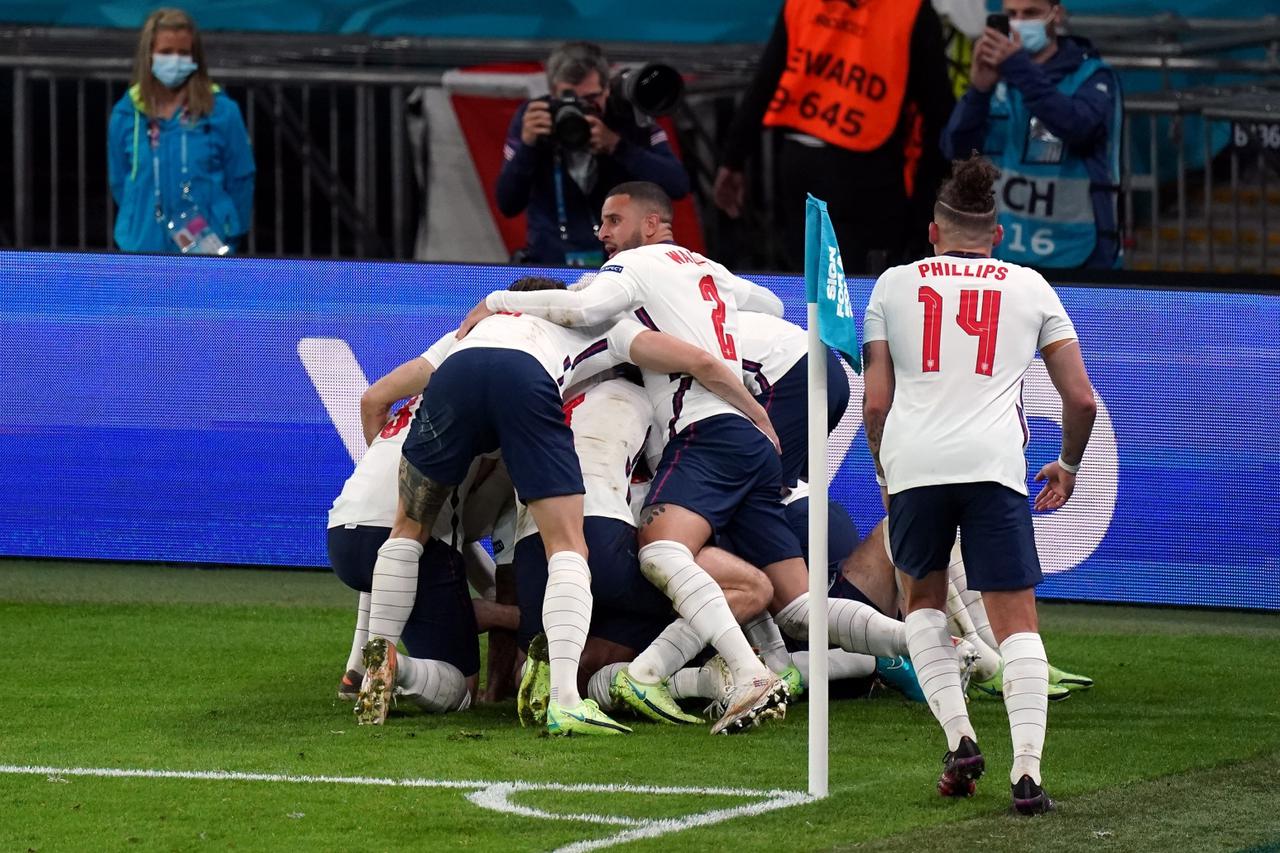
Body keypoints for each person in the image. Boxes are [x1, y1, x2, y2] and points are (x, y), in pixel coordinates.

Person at [462, 182, 919, 736]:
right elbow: (768, 305)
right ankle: (921, 643)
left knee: (661, 552)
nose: (602, 234)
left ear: (653, 224)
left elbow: (602, 316)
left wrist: (495, 303)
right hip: (756, 438)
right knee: (785, 599)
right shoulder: (700, 271)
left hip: (707, 435)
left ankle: (737, 673)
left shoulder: (619, 314)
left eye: (612, 221)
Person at [361, 275, 778, 737]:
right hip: (545, 413)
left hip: (458, 381)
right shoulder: (607, 334)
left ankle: (375, 651)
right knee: (577, 549)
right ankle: (580, 696)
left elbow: (377, 396)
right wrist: (756, 412)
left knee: (406, 531)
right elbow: (697, 361)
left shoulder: (488, 321)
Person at [861, 153, 1097, 814]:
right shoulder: (1030, 286)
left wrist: (886, 471)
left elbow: (875, 403)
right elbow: (1081, 401)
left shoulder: (893, 285)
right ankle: (1027, 774)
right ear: (998, 236)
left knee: (923, 606)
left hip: (916, 465)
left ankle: (960, 737)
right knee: (1017, 624)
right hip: (994, 466)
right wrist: (1069, 465)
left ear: (932, 232)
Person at [712, 0, 954, 273]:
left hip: (802, 159)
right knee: (864, 287)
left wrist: (732, 159)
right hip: (867, 168)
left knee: (806, 284)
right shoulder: (910, 9)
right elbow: (939, 112)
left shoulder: (802, 4)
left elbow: (767, 80)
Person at [940, 0, 1122, 269]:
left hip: (1077, 255)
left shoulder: (1092, 76)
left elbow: (1078, 126)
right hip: (1001, 257)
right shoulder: (994, 79)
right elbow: (954, 150)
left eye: (1031, 13)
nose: (1019, 22)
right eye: (1011, 14)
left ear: (1056, 15)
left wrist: (1018, 67)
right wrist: (978, 91)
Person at [495, 42, 690, 267]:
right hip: (552, 268)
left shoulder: (626, 120)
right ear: (552, 93)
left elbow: (678, 184)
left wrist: (618, 146)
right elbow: (507, 204)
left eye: (591, 99)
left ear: (607, 90)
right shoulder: (536, 118)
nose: (582, 108)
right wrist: (528, 146)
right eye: (569, 98)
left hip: (623, 268)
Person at [108, 8, 254, 255]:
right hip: (142, 249)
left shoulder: (222, 112)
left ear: (195, 58)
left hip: (207, 250)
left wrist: (228, 232)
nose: (175, 60)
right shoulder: (126, 114)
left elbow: (240, 179)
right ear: (149, 56)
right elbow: (119, 181)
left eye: (183, 53)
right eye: (166, 52)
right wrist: (137, 224)